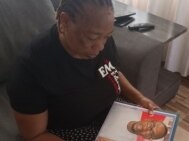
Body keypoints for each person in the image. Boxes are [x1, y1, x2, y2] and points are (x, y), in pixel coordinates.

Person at [6, 0, 159, 141]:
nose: (100, 47)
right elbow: (35, 135)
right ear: (64, 21)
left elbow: (113, 71)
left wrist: (139, 98)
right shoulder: (30, 70)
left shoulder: (102, 40)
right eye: (92, 37)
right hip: (71, 132)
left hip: (114, 113)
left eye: (106, 37)